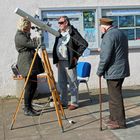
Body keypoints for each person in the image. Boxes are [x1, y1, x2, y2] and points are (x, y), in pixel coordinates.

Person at [97, 18, 130, 129]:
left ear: (104, 26)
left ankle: (120, 122)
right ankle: (113, 118)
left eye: (100, 27)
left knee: (115, 97)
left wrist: (100, 71)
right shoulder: (120, 33)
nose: (100, 29)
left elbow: (105, 57)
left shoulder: (109, 35)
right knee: (113, 96)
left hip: (114, 71)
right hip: (121, 69)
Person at [52, 16, 88, 110]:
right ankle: (63, 102)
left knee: (73, 83)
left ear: (66, 22)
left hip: (69, 62)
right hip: (60, 62)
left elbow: (84, 44)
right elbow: (56, 46)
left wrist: (76, 56)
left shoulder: (72, 32)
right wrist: (56, 60)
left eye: (61, 22)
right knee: (61, 83)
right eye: (58, 23)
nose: (59, 24)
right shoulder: (59, 33)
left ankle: (74, 103)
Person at [15, 17, 44, 116]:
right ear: (25, 25)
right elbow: (32, 44)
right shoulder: (19, 36)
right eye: (29, 26)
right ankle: (27, 108)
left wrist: (35, 40)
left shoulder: (24, 34)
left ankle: (29, 106)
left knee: (34, 85)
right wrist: (38, 39)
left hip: (29, 62)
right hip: (26, 63)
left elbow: (31, 44)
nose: (30, 27)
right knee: (29, 86)